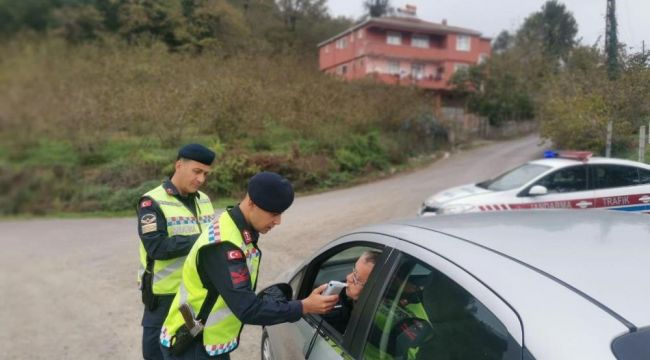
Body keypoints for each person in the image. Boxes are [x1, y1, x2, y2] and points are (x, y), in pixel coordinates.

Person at [160, 171, 340, 359]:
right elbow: (248, 309)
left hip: (206, 340)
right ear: (251, 203)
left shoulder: (234, 225)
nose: (278, 221)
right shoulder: (224, 246)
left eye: (281, 213)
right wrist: (304, 306)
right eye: (273, 213)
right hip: (192, 344)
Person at [137, 143, 216, 360]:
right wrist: (200, 240)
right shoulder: (152, 202)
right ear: (179, 165)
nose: (201, 179)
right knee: (156, 354)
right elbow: (157, 247)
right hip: (164, 296)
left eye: (206, 174)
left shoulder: (205, 200)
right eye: (197, 171)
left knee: (191, 352)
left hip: (196, 292)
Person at [323, 250, 380, 334]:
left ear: (373, 289)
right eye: (354, 271)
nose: (348, 277)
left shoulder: (371, 321)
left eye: (356, 278)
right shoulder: (345, 297)